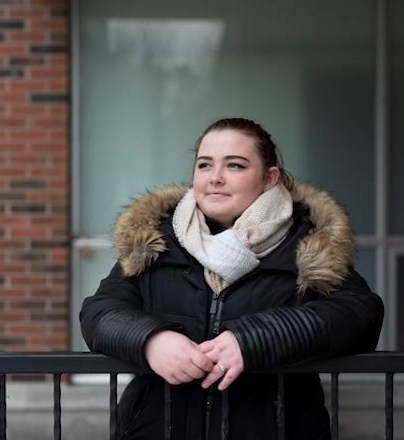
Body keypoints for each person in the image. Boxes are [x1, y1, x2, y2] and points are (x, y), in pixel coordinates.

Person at [80, 118, 384, 440]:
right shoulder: (153, 243)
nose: (215, 178)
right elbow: (99, 312)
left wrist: (256, 341)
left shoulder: (309, 248)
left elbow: (360, 314)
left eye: (235, 166)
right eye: (204, 165)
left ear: (269, 178)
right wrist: (150, 340)